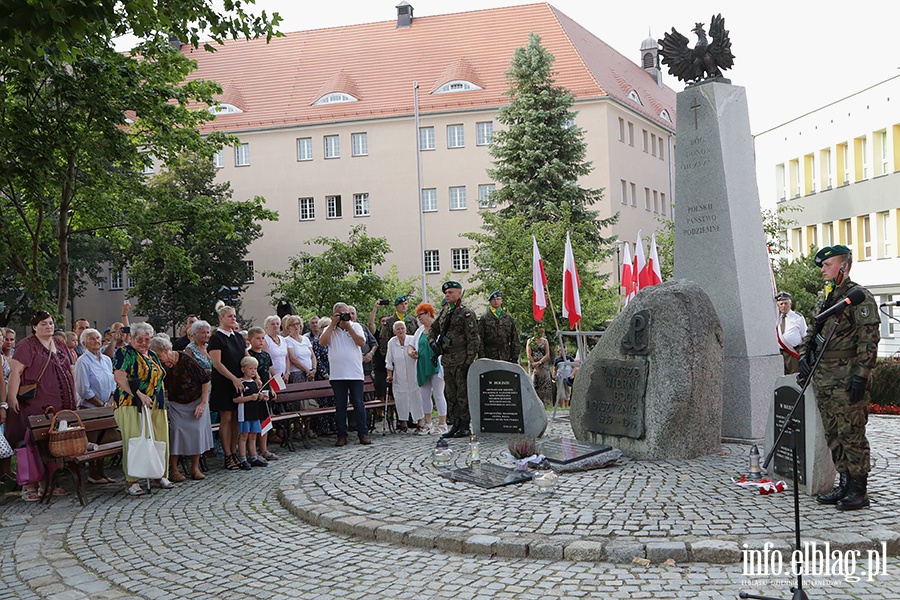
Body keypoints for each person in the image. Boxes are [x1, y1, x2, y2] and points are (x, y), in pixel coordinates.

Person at [799, 245, 880, 511]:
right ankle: (844, 484)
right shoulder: (829, 298)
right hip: (825, 378)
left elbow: (868, 341)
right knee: (833, 433)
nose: (822, 270)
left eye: (827, 265)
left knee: (851, 433)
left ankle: (858, 490)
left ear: (843, 266)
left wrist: (861, 376)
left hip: (847, 379)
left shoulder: (859, 297)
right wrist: (803, 356)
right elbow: (812, 331)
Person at [6, 311, 77, 501]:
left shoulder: (60, 344)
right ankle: (28, 485)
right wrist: (12, 397)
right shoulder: (27, 345)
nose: (49, 326)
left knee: (52, 444)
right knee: (31, 443)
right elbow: (16, 372)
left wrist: (74, 394)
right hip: (35, 404)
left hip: (60, 406)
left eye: (51, 323)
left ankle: (48, 484)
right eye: (44, 324)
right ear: (35, 326)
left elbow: (70, 370)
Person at [112, 322, 173, 496]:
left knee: (159, 438)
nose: (144, 343)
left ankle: (158, 473)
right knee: (135, 439)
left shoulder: (153, 354)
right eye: (140, 339)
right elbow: (120, 377)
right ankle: (132, 480)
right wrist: (139, 395)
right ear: (131, 338)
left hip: (156, 403)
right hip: (131, 403)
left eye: (147, 339)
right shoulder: (124, 353)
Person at [429, 281, 480, 439]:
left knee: (462, 394)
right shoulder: (445, 312)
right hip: (447, 359)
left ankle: (465, 425)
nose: (447, 295)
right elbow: (434, 328)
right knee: (450, 393)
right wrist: (432, 343)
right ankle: (455, 423)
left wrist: (469, 361)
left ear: (459, 293)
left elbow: (474, 339)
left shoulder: (466, 313)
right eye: (446, 293)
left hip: (461, 359)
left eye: (451, 292)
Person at [319, 303, 371, 446]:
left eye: (345, 313)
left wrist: (348, 326)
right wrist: (332, 325)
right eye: (340, 314)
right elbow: (322, 343)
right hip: (337, 375)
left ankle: (363, 434)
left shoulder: (356, 326)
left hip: (355, 373)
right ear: (334, 315)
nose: (343, 316)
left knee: (358, 404)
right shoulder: (329, 329)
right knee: (340, 406)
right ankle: (342, 435)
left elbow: (361, 342)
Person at [74, 327, 117, 484]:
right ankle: (93, 474)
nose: (96, 341)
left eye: (98, 338)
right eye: (91, 339)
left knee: (104, 441)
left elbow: (113, 382)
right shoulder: (82, 361)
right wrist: (100, 405)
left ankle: (102, 472)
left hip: (106, 406)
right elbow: (84, 389)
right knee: (93, 442)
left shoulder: (106, 359)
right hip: (90, 409)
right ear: (84, 342)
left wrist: (110, 401)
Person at [208, 301, 247, 471]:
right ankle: (227, 454)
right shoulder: (217, 338)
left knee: (236, 420)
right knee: (227, 418)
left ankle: (235, 451)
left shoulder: (238, 337)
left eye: (234, 316)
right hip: (224, 382)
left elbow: (246, 357)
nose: (233, 318)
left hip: (238, 382)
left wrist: (254, 376)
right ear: (221, 318)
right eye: (229, 316)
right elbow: (217, 364)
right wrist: (233, 379)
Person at [408, 302, 448, 435]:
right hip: (422, 365)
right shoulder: (419, 331)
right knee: (424, 395)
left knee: (438, 393)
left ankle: (442, 423)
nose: (419, 318)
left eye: (421, 315)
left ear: (429, 313)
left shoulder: (439, 328)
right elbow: (411, 345)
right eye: (417, 316)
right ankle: (428, 422)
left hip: (436, 365)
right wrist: (411, 352)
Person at [385, 321, 425, 434]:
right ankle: (403, 424)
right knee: (400, 397)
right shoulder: (391, 343)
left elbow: (419, 354)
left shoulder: (412, 340)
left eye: (402, 328)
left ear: (406, 329)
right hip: (399, 375)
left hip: (414, 374)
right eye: (398, 329)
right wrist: (389, 375)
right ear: (394, 331)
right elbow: (389, 360)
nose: (401, 331)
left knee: (417, 395)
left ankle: (420, 422)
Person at [247, 326, 279, 461]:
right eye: (258, 338)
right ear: (250, 340)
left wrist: (272, 388)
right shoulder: (249, 355)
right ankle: (253, 451)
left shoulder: (265, 355)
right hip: (255, 392)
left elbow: (268, 372)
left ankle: (264, 448)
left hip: (266, 390)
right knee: (256, 421)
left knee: (266, 420)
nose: (261, 341)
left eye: (262, 338)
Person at [235, 356, 269, 469]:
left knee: (253, 435)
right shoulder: (240, 383)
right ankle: (242, 458)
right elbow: (236, 399)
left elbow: (256, 398)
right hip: (244, 414)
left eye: (255, 369)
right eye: (251, 368)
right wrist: (250, 398)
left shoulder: (255, 383)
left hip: (255, 413)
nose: (253, 371)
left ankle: (253, 456)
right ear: (243, 369)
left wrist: (260, 397)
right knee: (244, 435)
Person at [478, 290, 521, 363]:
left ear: (501, 301)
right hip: (489, 356)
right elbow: (480, 339)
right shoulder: (484, 318)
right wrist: (482, 356)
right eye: (493, 299)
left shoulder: (508, 318)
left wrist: (514, 357)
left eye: (498, 299)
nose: (496, 301)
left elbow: (515, 338)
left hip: (505, 355)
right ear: (490, 302)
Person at [776, 291, 808, 375]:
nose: (784, 306)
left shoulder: (798, 317)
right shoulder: (776, 318)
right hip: (780, 353)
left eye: (786, 303)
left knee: (795, 377)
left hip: (793, 353)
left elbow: (805, 335)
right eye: (781, 304)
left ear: (790, 304)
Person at [282, 315, 316, 384]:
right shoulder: (287, 340)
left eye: (297, 324)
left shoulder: (305, 339)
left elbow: (312, 356)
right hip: (297, 373)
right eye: (293, 325)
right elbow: (292, 358)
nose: (296, 326)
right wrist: (306, 370)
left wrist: (314, 369)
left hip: (310, 372)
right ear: (288, 327)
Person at [527, 325, 553, 407]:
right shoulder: (530, 341)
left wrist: (539, 362)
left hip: (543, 365)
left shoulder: (545, 341)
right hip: (533, 365)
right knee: (533, 383)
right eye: (540, 331)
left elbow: (547, 354)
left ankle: (546, 404)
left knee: (545, 385)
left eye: (543, 332)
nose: (542, 333)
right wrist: (534, 364)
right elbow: (528, 354)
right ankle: (533, 404)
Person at [262, 315, 289, 380]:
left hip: (284, 375)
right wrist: (276, 376)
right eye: (272, 324)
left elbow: (287, 358)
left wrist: (287, 373)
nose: (275, 326)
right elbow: (266, 360)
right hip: (272, 376)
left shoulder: (283, 339)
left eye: (277, 324)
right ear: (266, 326)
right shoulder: (265, 340)